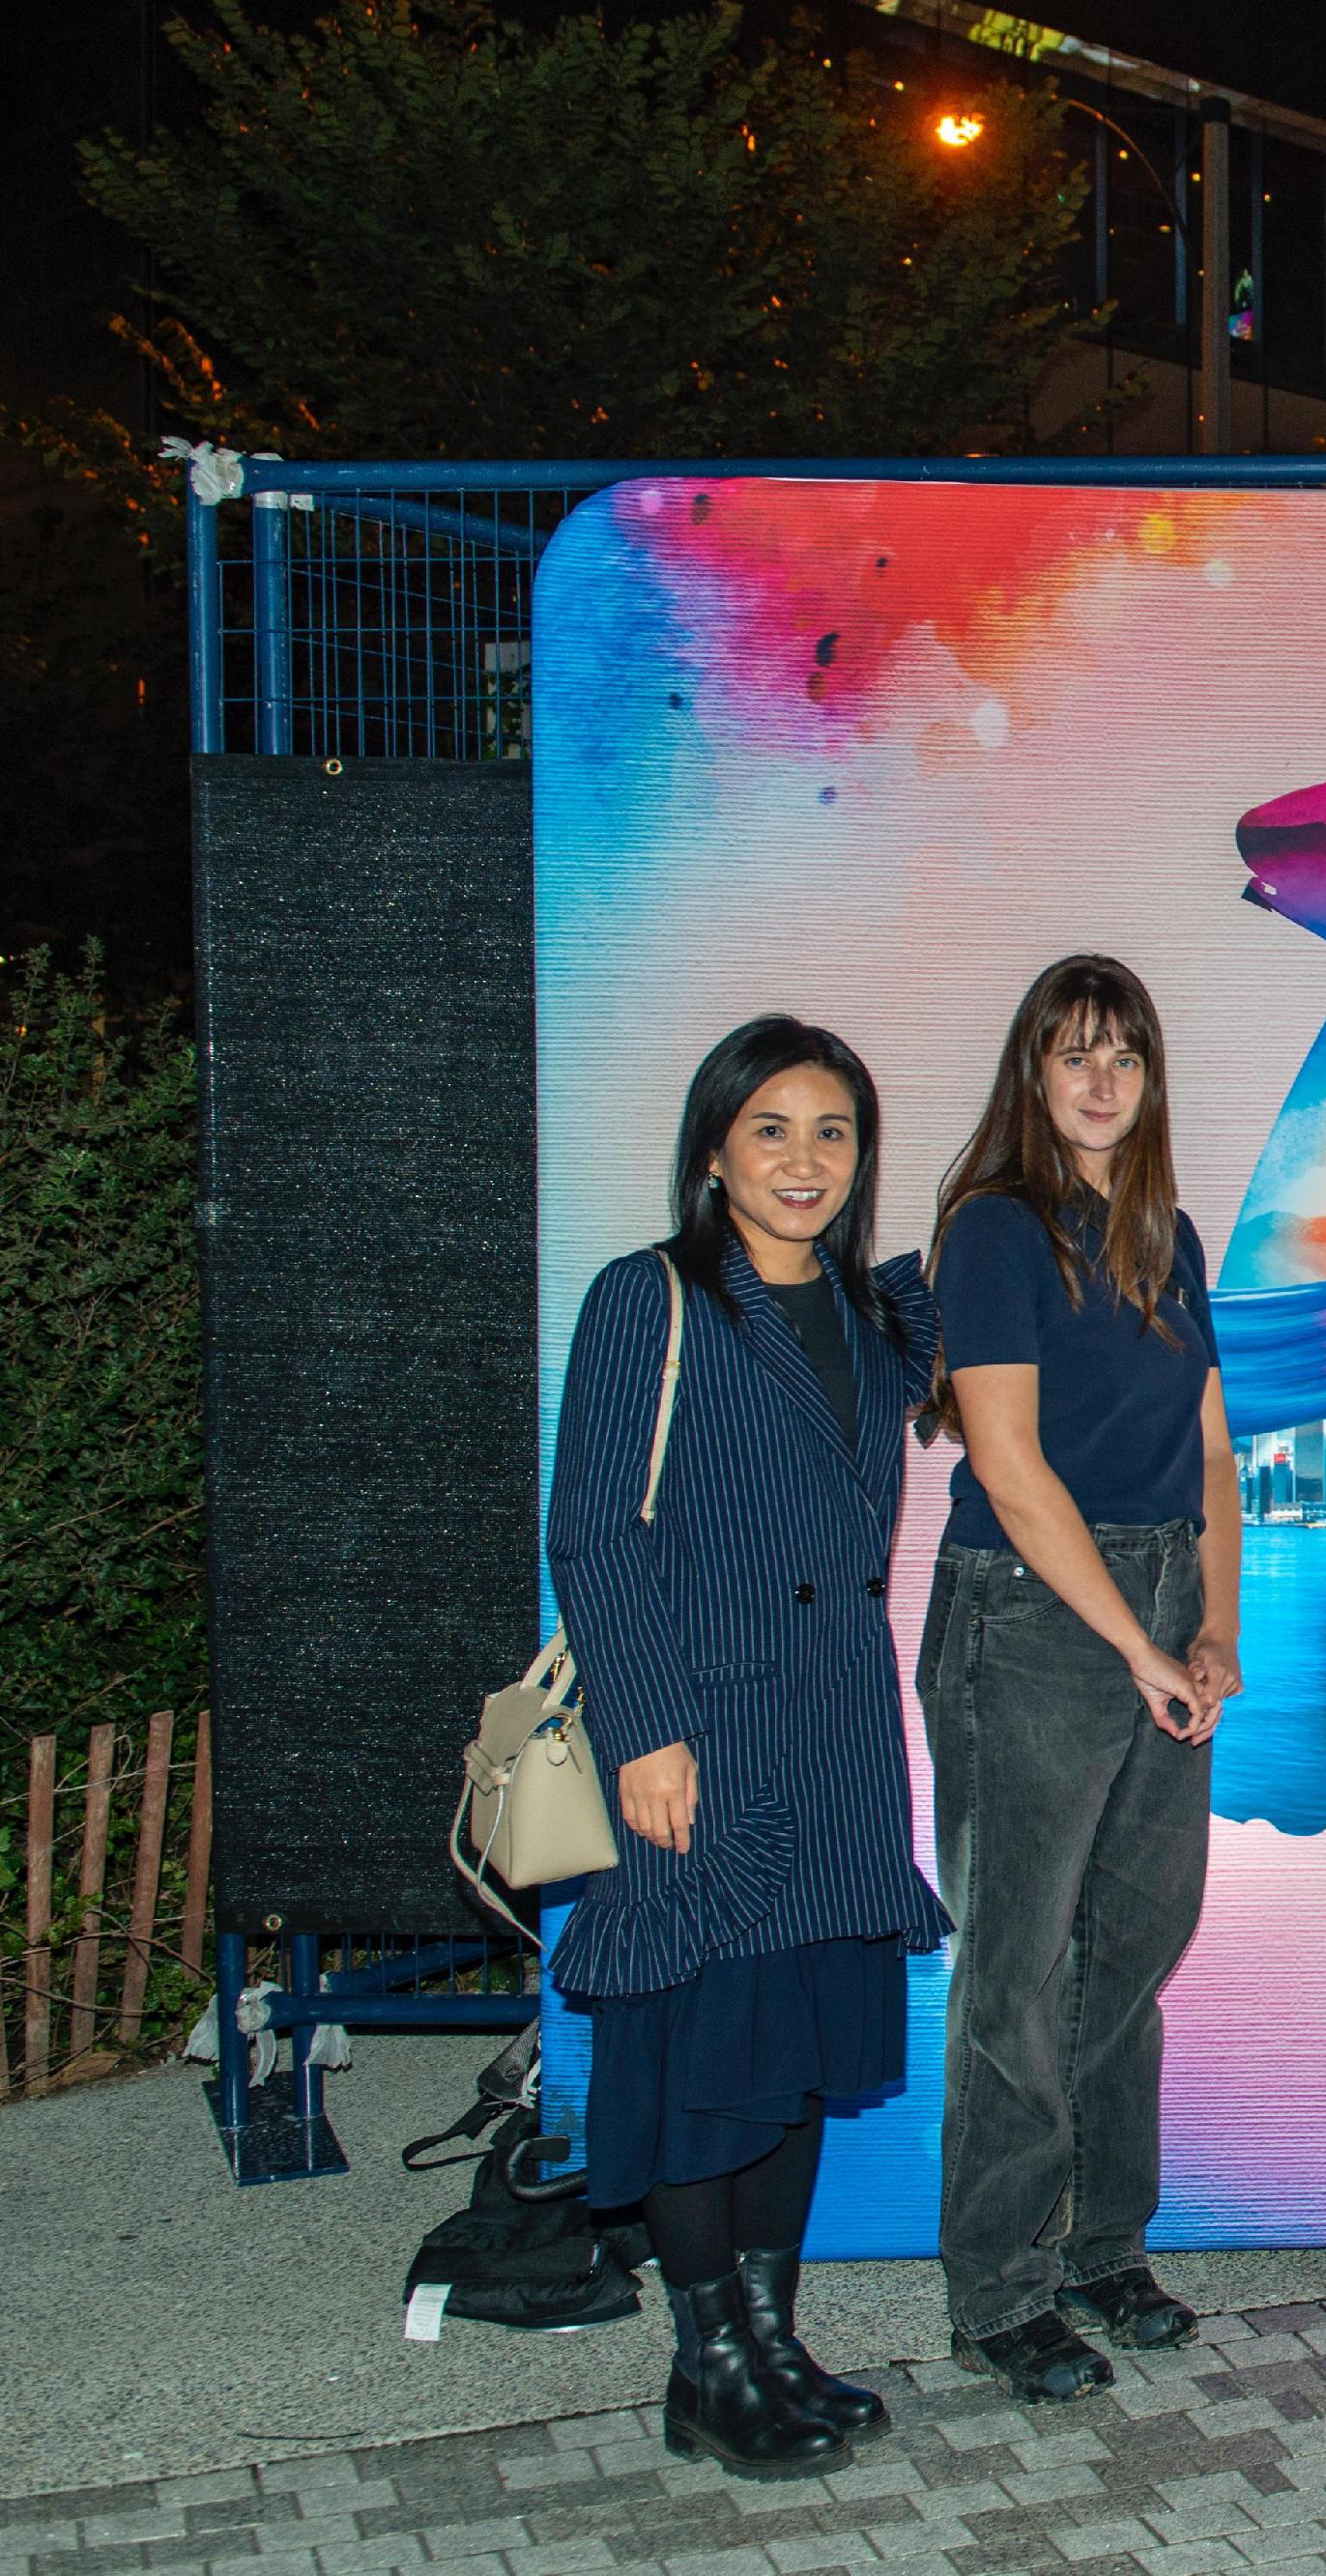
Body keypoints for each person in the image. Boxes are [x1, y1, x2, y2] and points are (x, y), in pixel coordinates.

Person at [548, 1017, 949, 2481]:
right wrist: (643, 1727)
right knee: (705, 2049)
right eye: (770, 1127)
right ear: (714, 1145)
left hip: (839, 1725)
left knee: (793, 2052)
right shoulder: (645, 1299)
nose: (804, 1159)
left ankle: (772, 2338)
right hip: (701, 1731)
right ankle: (705, 2359)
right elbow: (591, 1533)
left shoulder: (875, 1321)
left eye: (833, 1130)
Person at [923, 955, 1243, 2405]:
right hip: (1035, 1620)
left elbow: (1220, 1453)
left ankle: (1104, 2246)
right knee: (1018, 1967)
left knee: (1134, 1946)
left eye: (1124, 1054)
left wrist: (1212, 1631)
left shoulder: (1167, 1232)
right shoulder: (994, 1230)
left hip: (1163, 1594)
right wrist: (1133, 1642)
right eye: (1072, 1054)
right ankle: (999, 2288)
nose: (1101, 1079)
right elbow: (1005, 1460)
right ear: (1031, 1075)